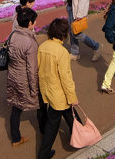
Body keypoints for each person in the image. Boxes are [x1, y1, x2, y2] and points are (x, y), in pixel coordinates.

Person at [37, 18, 79, 159]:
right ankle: (43, 154)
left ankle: (79, 137)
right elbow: (66, 79)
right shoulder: (62, 52)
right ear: (63, 35)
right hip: (60, 93)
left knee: (71, 116)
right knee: (53, 124)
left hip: (46, 89)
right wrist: (72, 97)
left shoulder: (42, 46)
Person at [6, 7, 39, 147]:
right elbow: (32, 69)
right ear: (30, 23)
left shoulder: (13, 34)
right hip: (24, 79)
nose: (36, 23)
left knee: (15, 108)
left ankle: (16, 138)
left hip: (12, 76)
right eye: (35, 21)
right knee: (41, 106)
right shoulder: (29, 42)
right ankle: (45, 134)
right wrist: (34, 90)